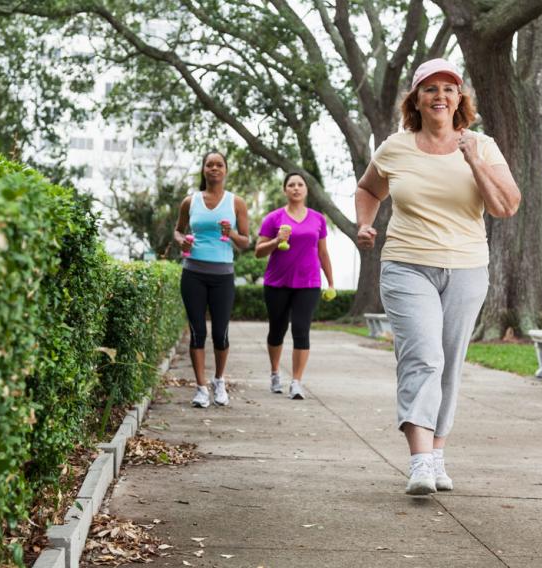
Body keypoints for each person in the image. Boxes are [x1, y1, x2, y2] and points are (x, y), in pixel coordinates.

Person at [354, 59, 521, 495]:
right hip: (407, 265)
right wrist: (364, 224)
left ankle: (437, 453)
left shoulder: (481, 146)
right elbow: (369, 188)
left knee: (449, 363)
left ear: (460, 99)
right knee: (423, 357)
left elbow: (506, 207)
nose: (440, 95)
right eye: (430, 88)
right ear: (417, 99)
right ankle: (419, 461)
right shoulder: (395, 146)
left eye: (449, 88)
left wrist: (473, 161)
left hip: (467, 268)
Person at [174, 150, 250, 408]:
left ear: (225, 170)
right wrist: (181, 240)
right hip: (193, 274)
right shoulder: (190, 201)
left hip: (222, 276)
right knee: (197, 332)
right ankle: (201, 388)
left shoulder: (236, 202)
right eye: (210, 164)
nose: (214, 168)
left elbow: (245, 242)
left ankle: (219, 380)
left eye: (219, 164)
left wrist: (231, 234)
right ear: (204, 170)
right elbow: (177, 231)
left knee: (220, 333)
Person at [255, 172, 335, 400]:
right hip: (277, 283)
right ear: (285, 190)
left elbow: (322, 252)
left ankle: (297, 382)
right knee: (277, 330)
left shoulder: (318, 219)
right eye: (291, 185)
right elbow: (259, 251)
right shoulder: (273, 218)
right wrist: (275, 240)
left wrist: (330, 281)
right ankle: (274, 373)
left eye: (300, 184)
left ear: (306, 190)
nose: (296, 188)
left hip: (308, 283)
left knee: (301, 330)